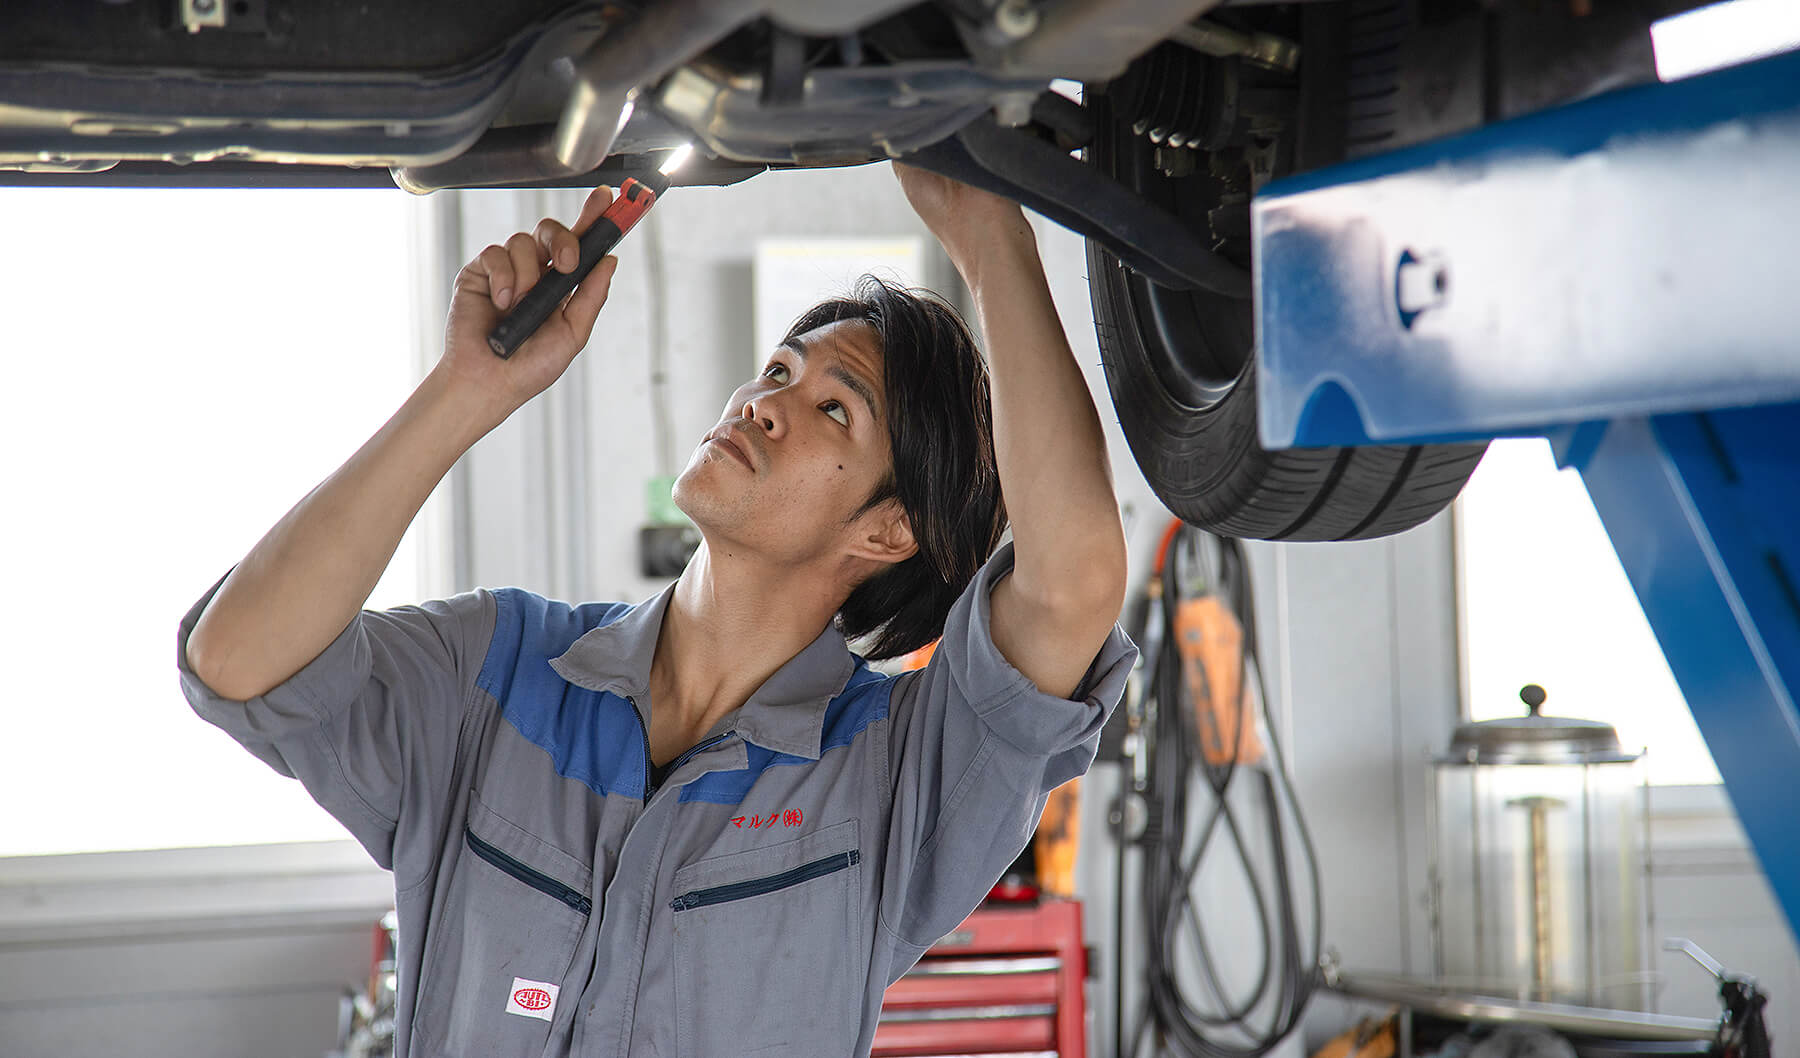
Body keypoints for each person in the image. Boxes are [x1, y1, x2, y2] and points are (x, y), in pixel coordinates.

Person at [178, 163, 1134, 1057]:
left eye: (834, 411)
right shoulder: (502, 668)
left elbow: (1073, 581)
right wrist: (468, 391)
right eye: (777, 371)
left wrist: (986, 231)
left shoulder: (892, 776)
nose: (763, 403)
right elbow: (238, 659)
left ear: (888, 532)